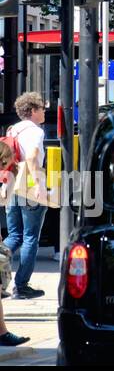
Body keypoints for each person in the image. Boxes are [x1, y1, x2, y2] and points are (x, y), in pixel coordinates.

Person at [2, 93, 48, 300]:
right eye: (41, 107)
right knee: (30, 237)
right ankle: (21, 286)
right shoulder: (35, 131)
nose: (44, 110)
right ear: (32, 111)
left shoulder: (13, 128)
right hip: (29, 187)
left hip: (12, 185)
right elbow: (31, 158)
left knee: (14, 235)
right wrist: (39, 185)